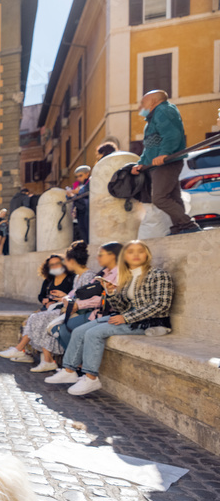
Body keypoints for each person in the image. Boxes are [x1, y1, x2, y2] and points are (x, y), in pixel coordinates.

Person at [46, 240, 173, 395]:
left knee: (94, 333)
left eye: (140, 251)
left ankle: (91, 378)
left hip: (150, 321)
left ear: (147, 254)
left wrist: (126, 318)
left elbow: (161, 305)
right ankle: (69, 370)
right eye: (130, 252)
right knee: (80, 331)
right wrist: (112, 293)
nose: (135, 255)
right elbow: (121, 307)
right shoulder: (127, 277)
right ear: (124, 257)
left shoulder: (158, 275)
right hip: (128, 316)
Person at [0, 242, 93, 372]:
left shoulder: (86, 276)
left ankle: (22, 350)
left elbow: (84, 298)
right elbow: (73, 295)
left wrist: (64, 297)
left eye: (62, 262)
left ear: (71, 261)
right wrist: (58, 298)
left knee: (39, 318)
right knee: (37, 318)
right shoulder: (76, 277)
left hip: (75, 311)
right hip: (63, 308)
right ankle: (40, 358)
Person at [131, 90, 200, 235]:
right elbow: (149, 146)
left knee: (160, 198)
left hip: (166, 163)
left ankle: (188, 224)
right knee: (173, 197)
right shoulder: (152, 119)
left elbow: (171, 134)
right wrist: (142, 163)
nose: (140, 107)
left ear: (153, 101)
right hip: (160, 164)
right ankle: (180, 227)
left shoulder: (163, 110)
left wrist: (164, 153)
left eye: (143, 102)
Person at [54, 241, 123, 351]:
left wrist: (79, 305)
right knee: (59, 328)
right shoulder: (103, 273)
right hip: (92, 311)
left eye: (101, 255)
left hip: (105, 313)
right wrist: (68, 299)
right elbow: (82, 291)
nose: (97, 258)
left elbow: (107, 298)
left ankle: (73, 365)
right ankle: (71, 364)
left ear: (112, 255)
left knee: (63, 329)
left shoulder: (120, 274)